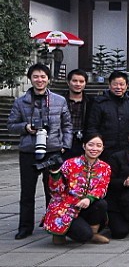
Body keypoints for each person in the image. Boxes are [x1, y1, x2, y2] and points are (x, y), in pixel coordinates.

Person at [7, 63, 72, 240]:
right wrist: (26, 127)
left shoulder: (59, 100)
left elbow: (67, 125)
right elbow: (11, 125)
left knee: (53, 190)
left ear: (48, 79)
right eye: (35, 76)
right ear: (30, 79)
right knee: (27, 191)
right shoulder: (20, 102)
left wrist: (65, 145)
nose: (39, 80)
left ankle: (52, 223)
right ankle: (25, 227)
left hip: (53, 150)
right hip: (29, 151)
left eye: (43, 76)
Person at [43, 133, 111, 245]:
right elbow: (56, 190)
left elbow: (101, 188)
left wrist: (89, 198)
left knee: (101, 204)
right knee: (84, 235)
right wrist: (55, 174)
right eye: (91, 145)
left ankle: (93, 233)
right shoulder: (69, 164)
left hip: (85, 205)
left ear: (103, 148)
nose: (94, 148)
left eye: (99, 146)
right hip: (66, 206)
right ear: (84, 146)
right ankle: (59, 233)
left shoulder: (105, 167)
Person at [87, 70, 129, 159]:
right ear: (109, 85)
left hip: (127, 150)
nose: (118, 87)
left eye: (122, 84)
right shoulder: (99, 103)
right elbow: (92, 127)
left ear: (126, 86)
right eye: (115, 84)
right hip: (105, 149)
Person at [63, 68, 93, 159]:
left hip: (84, 141)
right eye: (74, 81)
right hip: (63, 141)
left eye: (81, 81)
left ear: (85, 83)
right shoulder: (60, 100)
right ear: (68, 82)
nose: (78, 84)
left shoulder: (92, 102)